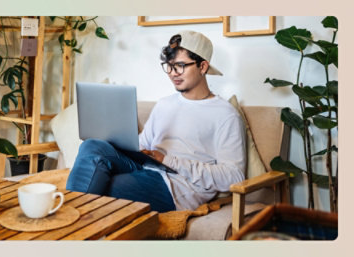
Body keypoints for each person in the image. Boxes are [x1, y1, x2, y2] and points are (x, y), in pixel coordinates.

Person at [66, 30, 246, 212]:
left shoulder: (225, 114)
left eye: (180, 65)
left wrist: (169, 160)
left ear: (203, 67)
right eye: (169, 66)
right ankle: (70, 222)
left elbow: (234, 176)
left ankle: (68, 224)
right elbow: (143, 144)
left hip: (176, 187)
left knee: (106, 185)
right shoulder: (164, 104)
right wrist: (126, 143)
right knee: (92, 146)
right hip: (146, 167)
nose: (173, 73)